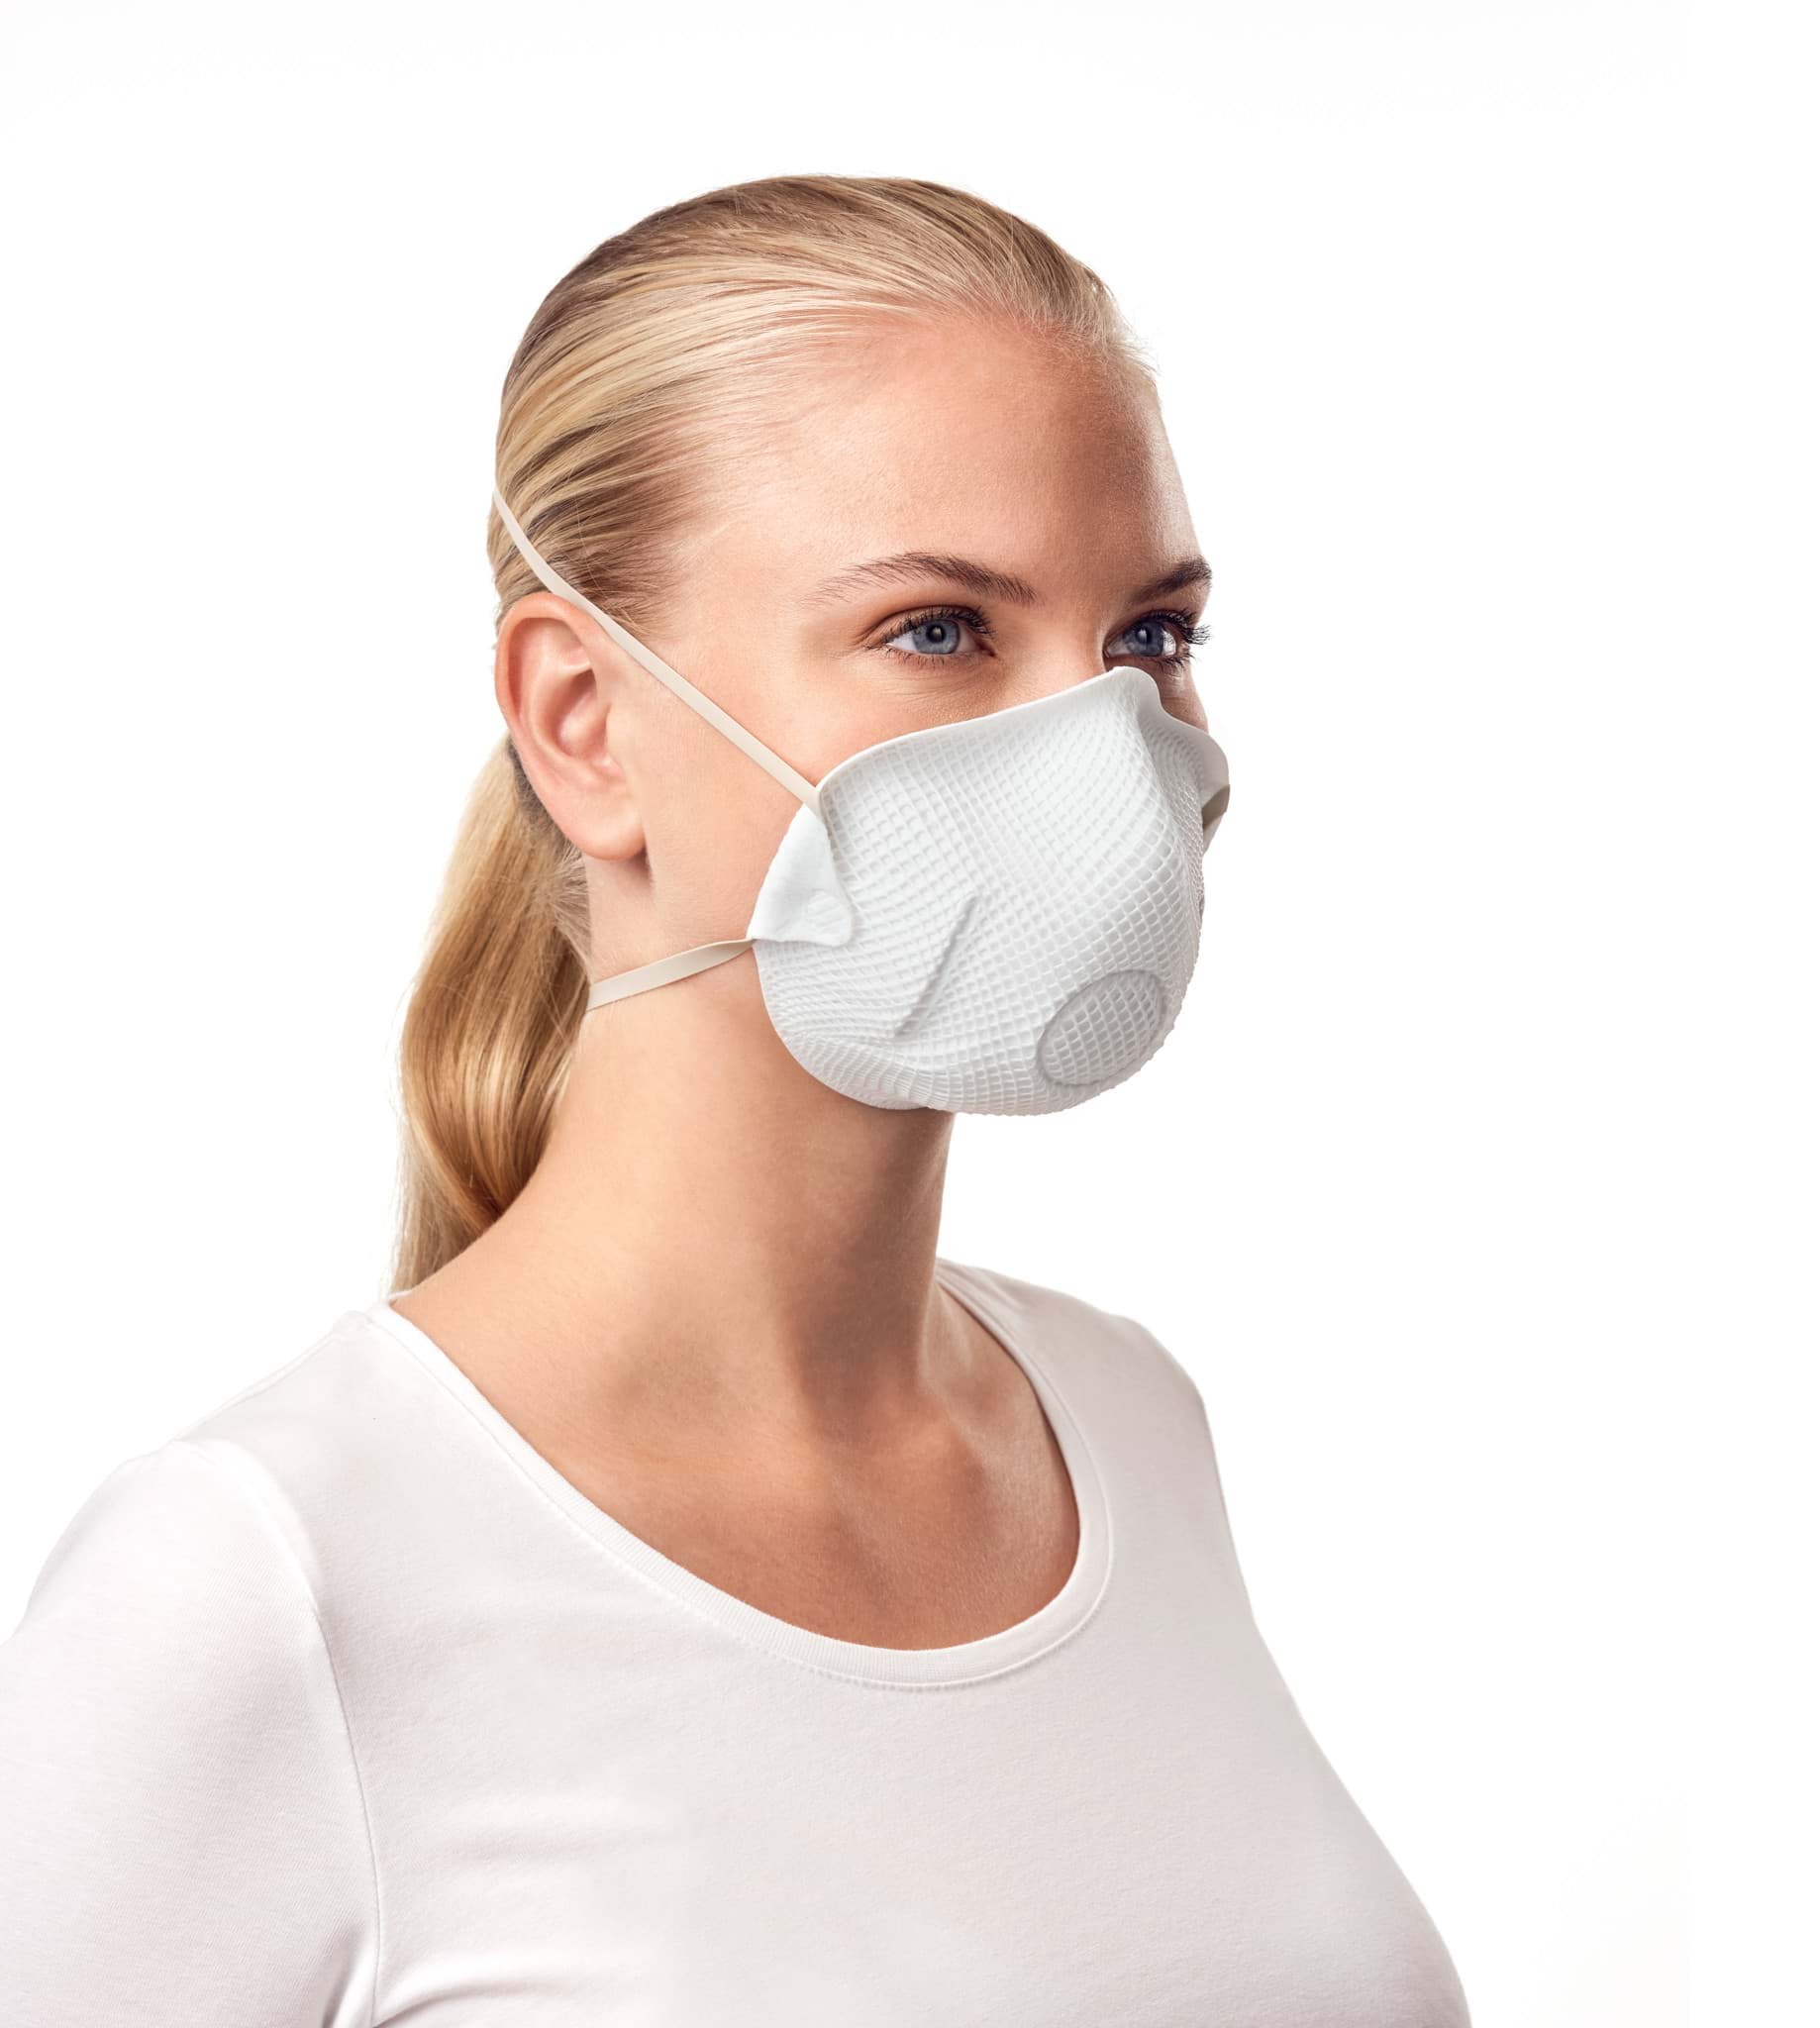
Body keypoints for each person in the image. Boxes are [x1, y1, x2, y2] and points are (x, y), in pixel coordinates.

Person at [0, 175, 1469, 2025]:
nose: (1107, 749)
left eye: (1149, 640)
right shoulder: (255, 1581)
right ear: (584, 720)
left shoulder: (1129, 1427)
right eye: (939, 629)